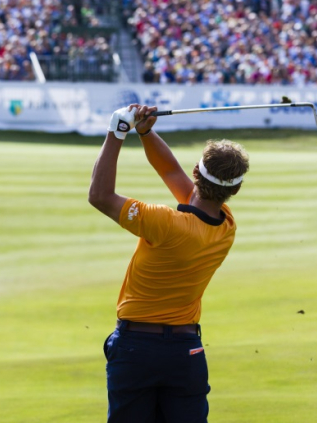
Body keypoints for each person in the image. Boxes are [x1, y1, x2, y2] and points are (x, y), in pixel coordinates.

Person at [89, 104, 250, 422]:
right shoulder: (226, 226)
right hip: (186, 353)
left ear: (196, 172)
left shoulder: (163, 222)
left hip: (137, 349)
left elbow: (100, 196)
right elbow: (171, 174)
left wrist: (117, 131)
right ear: (236, 189)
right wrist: (146, 132)